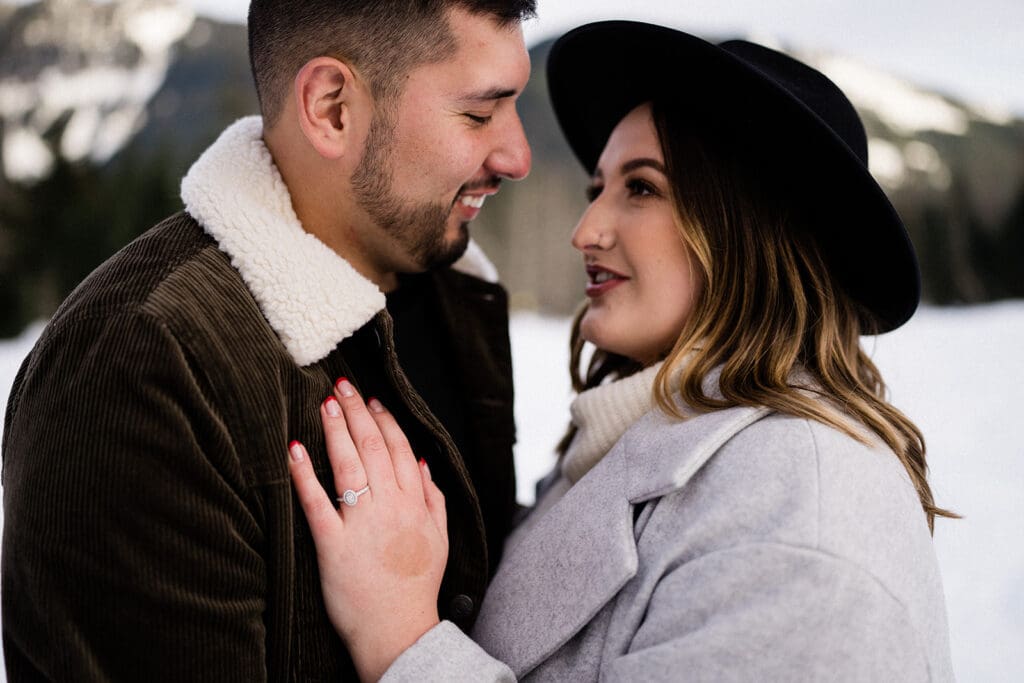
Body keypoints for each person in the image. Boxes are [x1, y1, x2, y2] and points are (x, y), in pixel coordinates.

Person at [287, 21, 957, 682]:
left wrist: (404, 640)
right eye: (596, 190)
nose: (585, 231)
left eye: (641, 187)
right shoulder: (652, 438)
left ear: (750, 229)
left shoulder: (806, 523)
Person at [1, 1, 535, 679]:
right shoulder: (143, 364)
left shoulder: (454, 296)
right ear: (332, 108)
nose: (518, 156)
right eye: (480, 114)